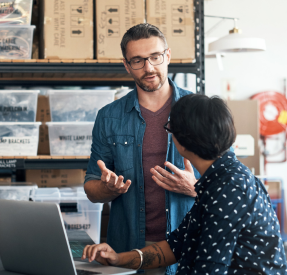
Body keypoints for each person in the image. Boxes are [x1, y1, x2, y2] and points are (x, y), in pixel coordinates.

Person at [82, 94, 287, 275]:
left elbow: (209, 268)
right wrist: (118, 259)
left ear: (182, 140)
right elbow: (176, 246)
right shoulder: (218, 180)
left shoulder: (229, 189)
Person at [84, 23, 200, 275]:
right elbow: (92, 189)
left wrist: (195, 188)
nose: (148, 67)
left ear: (167, 55)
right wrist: (107, 188)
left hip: (188, 244)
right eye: (137, 60)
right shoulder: (109, 117)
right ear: (126, 65)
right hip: (127, 247)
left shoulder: (199, 110)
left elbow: (230, 180)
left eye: (155, 57)